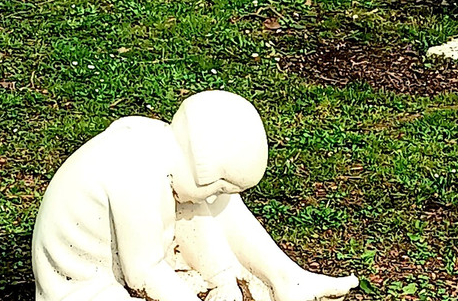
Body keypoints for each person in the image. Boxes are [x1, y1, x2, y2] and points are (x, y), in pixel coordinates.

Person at [32, 90, 359, 301]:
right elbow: (144, 273)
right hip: (83, 287)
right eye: (218, 185)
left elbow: (221, 204)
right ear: (206, 172)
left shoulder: (160, 141)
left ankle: (287, 280)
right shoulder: (135, 175)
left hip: (123, 265)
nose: (218, 195)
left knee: (218, 206)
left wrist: (277, 273)